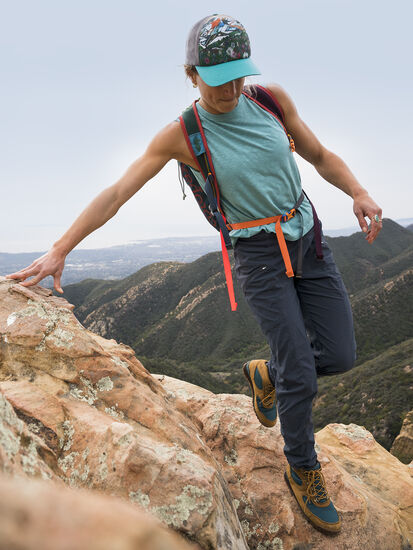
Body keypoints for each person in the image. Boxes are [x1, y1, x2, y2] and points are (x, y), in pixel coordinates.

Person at [7, 14, 382, 535]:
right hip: (257, 254)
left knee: (340, 354)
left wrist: (358, 192)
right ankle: (302, 466)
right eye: (219, 75)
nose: (231, 86)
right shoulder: (182, 134)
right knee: (300, 365)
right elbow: (117, 193)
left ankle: (268, 375)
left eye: (239, 74)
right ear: (191, 73)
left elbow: (317, 154)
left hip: (308, 237)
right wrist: (59, 249)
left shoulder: (271, 100)